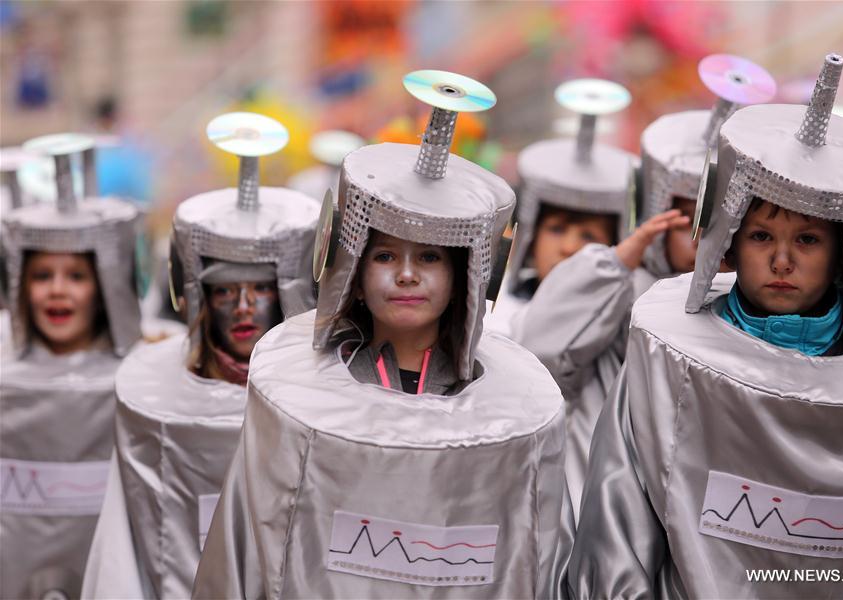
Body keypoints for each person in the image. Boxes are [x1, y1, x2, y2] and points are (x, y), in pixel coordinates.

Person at [192, 71, 571, 599]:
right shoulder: (295, 395)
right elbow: (249, 548)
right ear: (351, 269)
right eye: (386, 255)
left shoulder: (511, 409)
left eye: (431, 258)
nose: (407, 275)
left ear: (465, 274)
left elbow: (532, 558)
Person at [568, 53, 843, 598]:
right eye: (762, 237)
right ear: (725, 242)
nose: (783, 261)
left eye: (809, 240)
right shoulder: (665, 350)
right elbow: (620, 520)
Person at [514, 56, 775, 519]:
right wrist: (613, 263)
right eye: (688, 219)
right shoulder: (622, 293)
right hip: (606, 504)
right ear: (658, 214)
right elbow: (543, 351)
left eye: (722, 220)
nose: (707, 239)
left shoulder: (758, 311)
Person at [81, 113, 320, 599]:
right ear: (199, 298)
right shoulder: (152, 400)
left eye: (260, 289)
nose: (245, 307)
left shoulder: (328, 407)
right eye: (226, 290)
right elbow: (123, 550)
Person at [0, 134, 142, 599]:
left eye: (76, 276)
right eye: (43, 276)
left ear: (102, 286)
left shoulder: (143, 383)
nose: (57, 291)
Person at [484, 78, 637, 340]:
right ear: (531, 237)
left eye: (589, 236)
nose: (569, 247)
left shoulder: (622, 331)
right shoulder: (491, 318)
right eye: (556, 229)